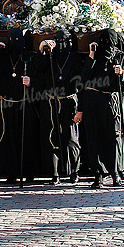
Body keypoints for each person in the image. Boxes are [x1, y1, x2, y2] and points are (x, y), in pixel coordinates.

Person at [74, 29, 124, 188]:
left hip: (110, 101)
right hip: (92, 101)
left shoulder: (121, 57)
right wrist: (91, 57)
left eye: (107, 40)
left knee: (112, 138)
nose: (104, 44)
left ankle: (115, 173)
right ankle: (98, 175)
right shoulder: (95, 58)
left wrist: (123, 74)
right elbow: (83, 79)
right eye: (102, 40)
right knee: (94, 139)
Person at [0, 28, 39, 184]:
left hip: (24, 105)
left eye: (18, 40)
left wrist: (30, 82)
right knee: (7, 139)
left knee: (26, 138)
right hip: (6, 105)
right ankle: (10, 172)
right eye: (11, 40)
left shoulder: (29, 58)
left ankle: (28, 171)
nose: (15, 43)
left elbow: (40, 79)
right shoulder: (3, 58)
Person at [35, 31, 83, 184]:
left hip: (69, 102)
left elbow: (81, 84)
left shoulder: (75, 59)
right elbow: (38, 69)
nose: (60, 43)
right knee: (51, 137)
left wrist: (80, 109)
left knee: (71, 139)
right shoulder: (51, 57)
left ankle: (74, 171)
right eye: (57, 40)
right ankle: (54, 173)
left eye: (64, 40)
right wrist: (42, 49)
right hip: (51, 102)